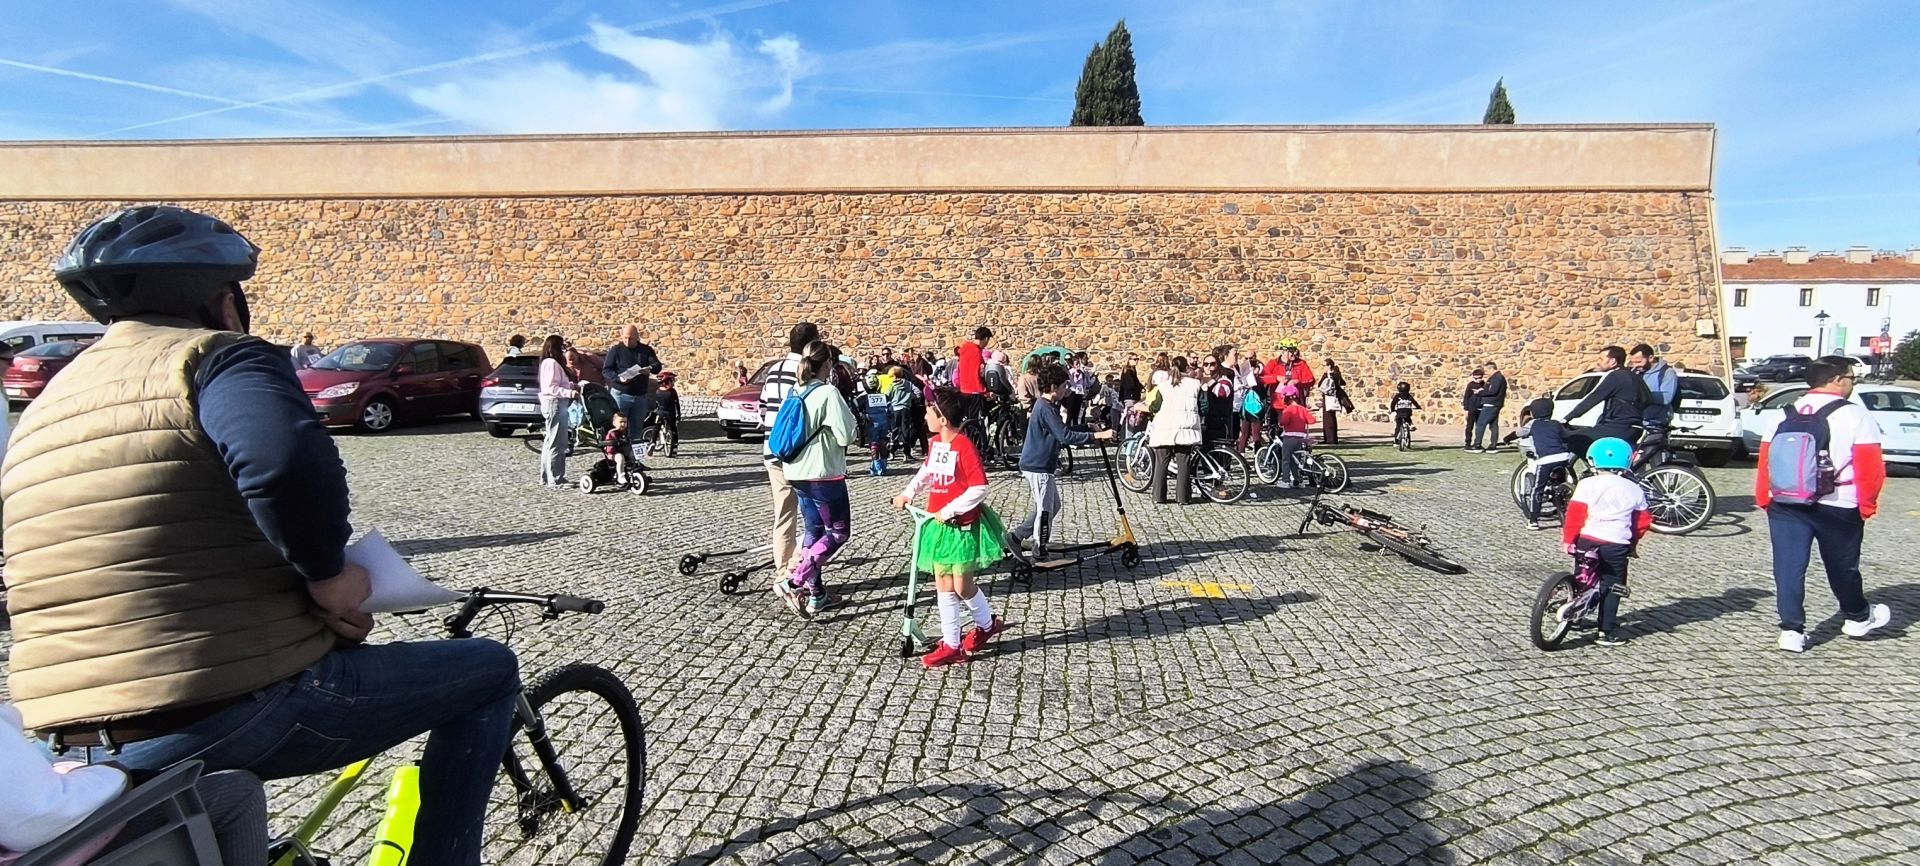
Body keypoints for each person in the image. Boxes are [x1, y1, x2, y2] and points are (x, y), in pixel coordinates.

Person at [1, 205, 518, 866]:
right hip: (214, 709)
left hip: (64, 741)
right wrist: (328, 576)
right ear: (224, 301)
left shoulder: (48, 405)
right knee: (488, 669)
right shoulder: (213, 357)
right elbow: (283, 461)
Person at [1755, 357, 1891, 653]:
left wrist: (1764, 497)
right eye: (1851, 377)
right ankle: (1857, 616)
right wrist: (1867, 505)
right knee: (1842, 565)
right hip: (1839, 502)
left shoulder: (1783, 413)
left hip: (1786, 501)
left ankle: (1791, 630)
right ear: (1837, 380)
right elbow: (1870, 466)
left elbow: (1766, 459)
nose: (1852, 383)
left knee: (1788, 568)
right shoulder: (1855, 414)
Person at [891, 390, 1009, 668]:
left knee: (962, 585)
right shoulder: (936, 444)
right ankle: (952, 644)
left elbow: (979, 487)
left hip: (960, 525)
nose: (925, 416)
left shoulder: (963, 446)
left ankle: (987, 624)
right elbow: (926, 472)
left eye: (929, 412)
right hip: (940, 526)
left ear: (943, 419)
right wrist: (908, 493)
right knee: (943, 584)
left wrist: (949, 510)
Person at [770, 341, 858, 619]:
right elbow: (846, 436)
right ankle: (793, 580)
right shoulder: (829, 392)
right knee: (838, 533)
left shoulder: (795, 390)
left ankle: (817, 596)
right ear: (828, 364)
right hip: (823, 475)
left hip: (795, 472)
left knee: (814, 532)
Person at [1007, 366, 1115, 562]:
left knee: (1052, 505)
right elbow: (1065, 436)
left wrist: (1087, 426)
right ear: (1053, 387)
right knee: (1045, 511)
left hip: (1042, 465)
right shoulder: (1045, 407)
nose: (1067, 389)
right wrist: (1097, 436)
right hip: (1037, 466)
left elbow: (1061, 430)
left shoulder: (1048, 406)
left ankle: (1016, 537)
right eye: (1064, 385)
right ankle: (1039, 550)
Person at [1562, 438, 1652, 646]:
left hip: (1586, 539)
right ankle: (1606, 631)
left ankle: (1576, 615)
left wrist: (1568, 539)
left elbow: (1575, 514)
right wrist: (1632, 542)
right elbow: (1643, 521)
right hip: (1616, 543)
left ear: (1592, 460)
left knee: (1583, 577)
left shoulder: (1586, 484)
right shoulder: (1634, 489)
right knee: (1613, 585)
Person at [760, 322, 820, 589]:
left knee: (784, 516)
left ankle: (783, 569)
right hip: (799, 456)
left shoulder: (773, 370)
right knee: (814, 519)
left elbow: (762, 409)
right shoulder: (807, 374)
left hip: (772, 452)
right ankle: (797, 572)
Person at [1562, 346, 1646, 458]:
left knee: (1574, 439)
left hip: (1618, 426)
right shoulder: (1634, 376)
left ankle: (1595, 466)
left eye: (1601, 359)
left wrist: (1566, 418)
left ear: (1612, 361)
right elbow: (1648, 400)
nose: (1598, 362)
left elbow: (1592, 399)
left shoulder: (1615, 376)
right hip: (1635, 428)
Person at [1147, 356, 1205, 505]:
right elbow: (1204, 406)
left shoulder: (1164, 386)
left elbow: (1155, 406)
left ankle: (1158, 496)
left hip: (1164, 427)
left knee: (1161, 462)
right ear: (1187, 368)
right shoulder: (1195, 384)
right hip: (1186, 427)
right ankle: (1183, 497)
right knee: (1184, 462)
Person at [1515, 398, 1572, 530]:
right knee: (1560, 481)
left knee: (1537, 489)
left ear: (1533, 412)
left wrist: (1507, 438)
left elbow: (1519, 433)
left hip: (1545, 460)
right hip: (1563, 457)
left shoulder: (1533, 424)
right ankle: (1562, 500)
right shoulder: (1556, 424)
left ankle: (1533, 520)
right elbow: (1566, 435)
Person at [536, 334, 578, 488]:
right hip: (555, 404)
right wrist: (569, 393)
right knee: (558, 444)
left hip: (554, 404)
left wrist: (572, 386)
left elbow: (557, 384)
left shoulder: (549, 363)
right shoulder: (552, 363)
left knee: (550, 442)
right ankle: (556, 479)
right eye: (562, 347)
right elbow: (551, 388)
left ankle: (546, 477)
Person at [603, 324, 662, 431]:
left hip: (640, 396)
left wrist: (650, 368)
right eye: (625, 338)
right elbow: (606, 370)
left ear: (637, 337)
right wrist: (618, 378)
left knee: (637, 429)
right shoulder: (615, 350)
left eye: (630, 338)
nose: (627, 341)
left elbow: (657, 365)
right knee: (618, 428)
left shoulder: (646, 350)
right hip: (620, 394)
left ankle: (635, 442)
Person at [1276, 389, 1315, 488]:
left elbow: (1284, 421)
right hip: (1301, 438)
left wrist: (1280, 422)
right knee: (1295, 460)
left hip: (1289, 437)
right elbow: (1312, 420)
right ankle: (1298, 480)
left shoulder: (1288, 410)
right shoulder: (1303, 409)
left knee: (1286, 459)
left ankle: (1285, 481)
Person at [1469, 360, 1507, 452]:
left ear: (1491, 369)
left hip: (1491, 404)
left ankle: (1477, 445)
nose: (1486, 373)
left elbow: (1493, 391)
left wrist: (1480, 392)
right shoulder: (1495, 378)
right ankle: (1492, 446)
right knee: (1493, 425)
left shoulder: (1497, 378)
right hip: (1494, 404)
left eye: (1486, 370)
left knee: (1480, 424)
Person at [862, 367, 894, 476]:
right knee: (883, 443)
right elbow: (891, 410)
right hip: (885, 423)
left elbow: (857, 410)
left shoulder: (863, 398)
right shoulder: (884, 396)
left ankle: (877, 467)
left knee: (874, 445)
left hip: (872, 424)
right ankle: (882, 466)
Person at [1202, 352, 1236, 444]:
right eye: (1206, 364)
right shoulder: (1200, 379)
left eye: (1212, 364)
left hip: (1221, 422)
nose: (1209, 367)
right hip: (1205, 422)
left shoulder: (1225, 378)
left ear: (1217, 365)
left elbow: (1222, 393)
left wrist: (1209, 380)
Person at [1318, 359, 1353, 445]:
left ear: (1329, 366)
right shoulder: (1336, 374)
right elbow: (1342, 383)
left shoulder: (1329, 375)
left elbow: (1320, 385)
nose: (1323, 367)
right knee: (1329, 418)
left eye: (1324, 366)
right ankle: (1329, 438)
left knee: (1329, 419)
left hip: (1329, 398)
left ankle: (1331, 439)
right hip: (1332, 398)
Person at [652, 370, 681, 456]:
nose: (673, 382)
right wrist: (679, 414)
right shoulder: (672, 391)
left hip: (660, 413)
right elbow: (676, 403)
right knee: (674, 430)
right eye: (672, 380)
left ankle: (653, 441)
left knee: (656, 427)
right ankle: (674, 449)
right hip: (670, 414)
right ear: (668, 381)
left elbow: (656, 404)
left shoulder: (658, 391)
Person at [1459, 368, 1487, 448]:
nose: (1478, 380)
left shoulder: (1484, 384)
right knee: (1469, 426)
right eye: (1476, 378)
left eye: (1480, 378)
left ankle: (1478, 443)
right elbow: (1466, 396)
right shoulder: (1470, 385)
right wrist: (1466, 408)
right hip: (1472, 408)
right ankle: (1467, 442)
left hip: (1481, 408)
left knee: (1479, 427)